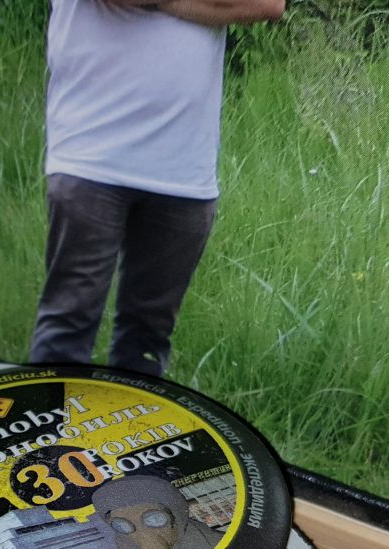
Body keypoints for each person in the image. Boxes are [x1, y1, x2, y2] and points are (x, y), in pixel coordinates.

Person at [28, 0, 286, 378]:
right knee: (67, 327)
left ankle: (129, 421)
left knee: (148, 340)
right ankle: (49, 419)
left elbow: (268, 4)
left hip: (184, 170)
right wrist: (208, 7)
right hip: (92, 158)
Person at [91, 474, 224, 549]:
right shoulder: (127, 548)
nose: (144, 535)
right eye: (122, 525)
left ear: (175, 517)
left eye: (155, 519)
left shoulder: (219, 546)